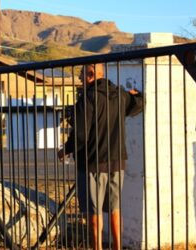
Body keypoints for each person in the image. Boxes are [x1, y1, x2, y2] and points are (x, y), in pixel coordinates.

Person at [58, 64, 143, 250]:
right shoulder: (119, 95)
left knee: (93, 211)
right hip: (117, 162)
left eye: (81, 74)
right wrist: (138, 94)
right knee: (115, 208)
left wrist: (65, 149)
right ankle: (117, 247)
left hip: (93, 164)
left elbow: (81, 134)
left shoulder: (87, 99)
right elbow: (139, 104)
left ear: (90, 75)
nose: (80, 78)